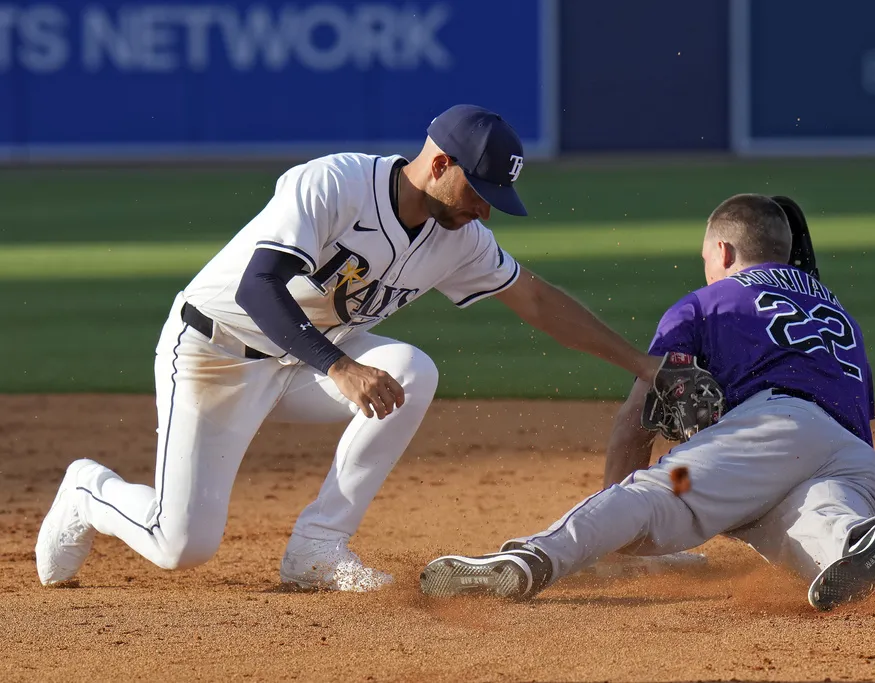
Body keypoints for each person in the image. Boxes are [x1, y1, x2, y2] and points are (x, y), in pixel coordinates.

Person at [35, 104, 666, 592]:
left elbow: (537, 300)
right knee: (180, 546)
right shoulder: (335, 184)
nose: (484, 212)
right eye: (479, 192)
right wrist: (338, 366)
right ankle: (88, 491)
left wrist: (643, 365)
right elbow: (259, 287)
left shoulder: (459, 238)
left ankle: (316, 549)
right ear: (440, 163)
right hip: (215, 354)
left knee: (411, 370)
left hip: (304, 361)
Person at [419, 193, 875, 611]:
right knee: (795, 521)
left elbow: (633, 424)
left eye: (705, 257)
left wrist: (620, 542)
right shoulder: (836, 312)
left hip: (766, 436)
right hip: (856, 462)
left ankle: (531, 558)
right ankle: (851, 537)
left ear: (723, 251)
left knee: (653, 495)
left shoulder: (705, 304)